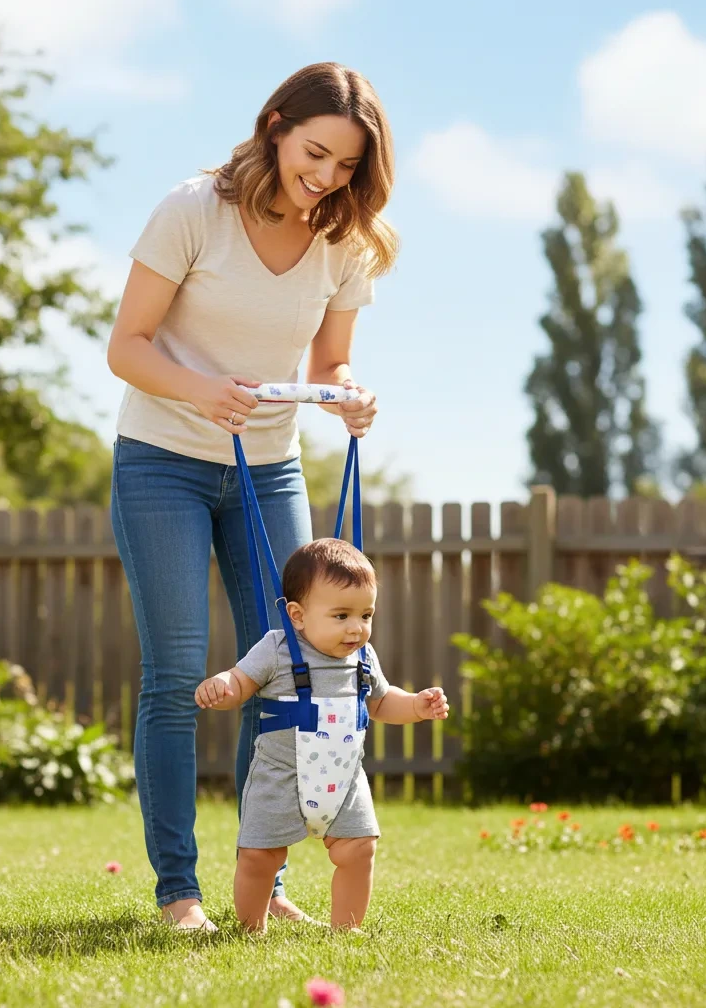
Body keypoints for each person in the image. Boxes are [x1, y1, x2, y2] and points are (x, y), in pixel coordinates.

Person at [106, 62, 399, 931]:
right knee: (176, 674)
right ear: (276, 127)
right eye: (316, 153)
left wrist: (348, 395)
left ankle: (260, 884)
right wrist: (203, 393)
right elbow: (127, 346)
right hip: (162, 459)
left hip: (269, 469)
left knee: (283, 671)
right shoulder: (193, 211)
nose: (328, 177)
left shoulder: (345, 242)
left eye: (347, 165)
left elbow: (329, 362)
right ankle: (178, 891)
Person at [195, 538, 449, 931]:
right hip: (279, 776)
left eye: (366, 615)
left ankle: (346, 929)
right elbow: (240, 684)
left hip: (343, 778)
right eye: (342, 615)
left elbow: (381, 702)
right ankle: (250, 930)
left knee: (359, 849)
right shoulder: (276, 648)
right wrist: (223, 686)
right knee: (260, 857)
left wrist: (416, 705)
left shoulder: (363, 657)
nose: (356, 628)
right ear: (297, 615)